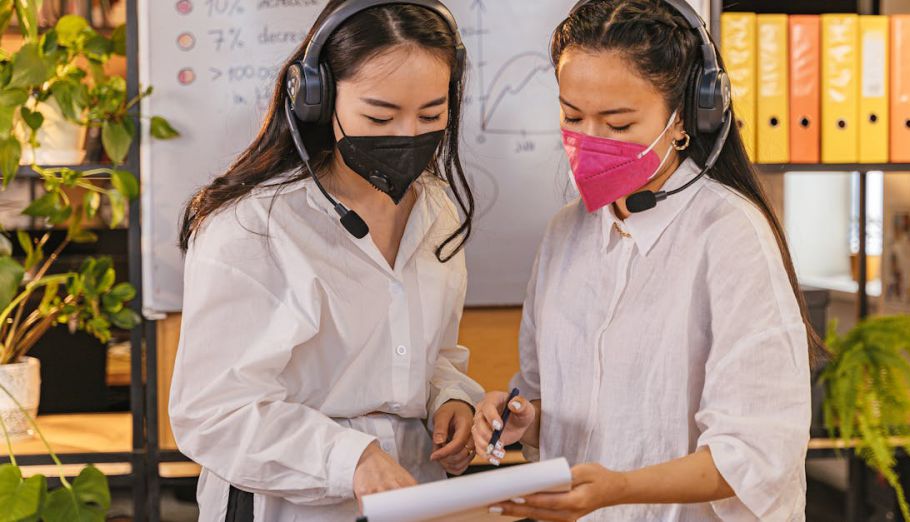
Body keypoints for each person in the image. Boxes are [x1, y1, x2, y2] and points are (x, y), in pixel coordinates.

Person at [473, 1, 821, 520]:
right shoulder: (565, 234)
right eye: (572, 117)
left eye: (617, 123)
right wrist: (526, 419)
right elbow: (555, 398)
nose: (589, 140)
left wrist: (621, 488)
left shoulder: (730, 236)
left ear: (684, 117)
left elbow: (755, 454)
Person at [169, 1, 483, 520]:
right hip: (287, 506)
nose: (408, 135)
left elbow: (430, 355)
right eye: (380, 115)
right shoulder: (252, 228)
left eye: (431, 115)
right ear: (316, 98)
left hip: (412, 497)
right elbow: (213, 414)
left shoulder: (437, 210)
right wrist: (351, 459)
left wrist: (449, 398)